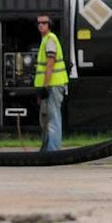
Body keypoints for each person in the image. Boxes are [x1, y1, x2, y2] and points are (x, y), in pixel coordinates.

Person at [33, 13, 68, 152]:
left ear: (50, 25)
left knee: (53, 119)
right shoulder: (45, 40)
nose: (41, 25)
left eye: (44, 22)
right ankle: (48, 149)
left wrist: (46, 85)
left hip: (53, 85)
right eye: (39, 23)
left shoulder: (50, 40)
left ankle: (53, 151)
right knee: (48, 119)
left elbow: (50, 63)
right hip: (50, 85)